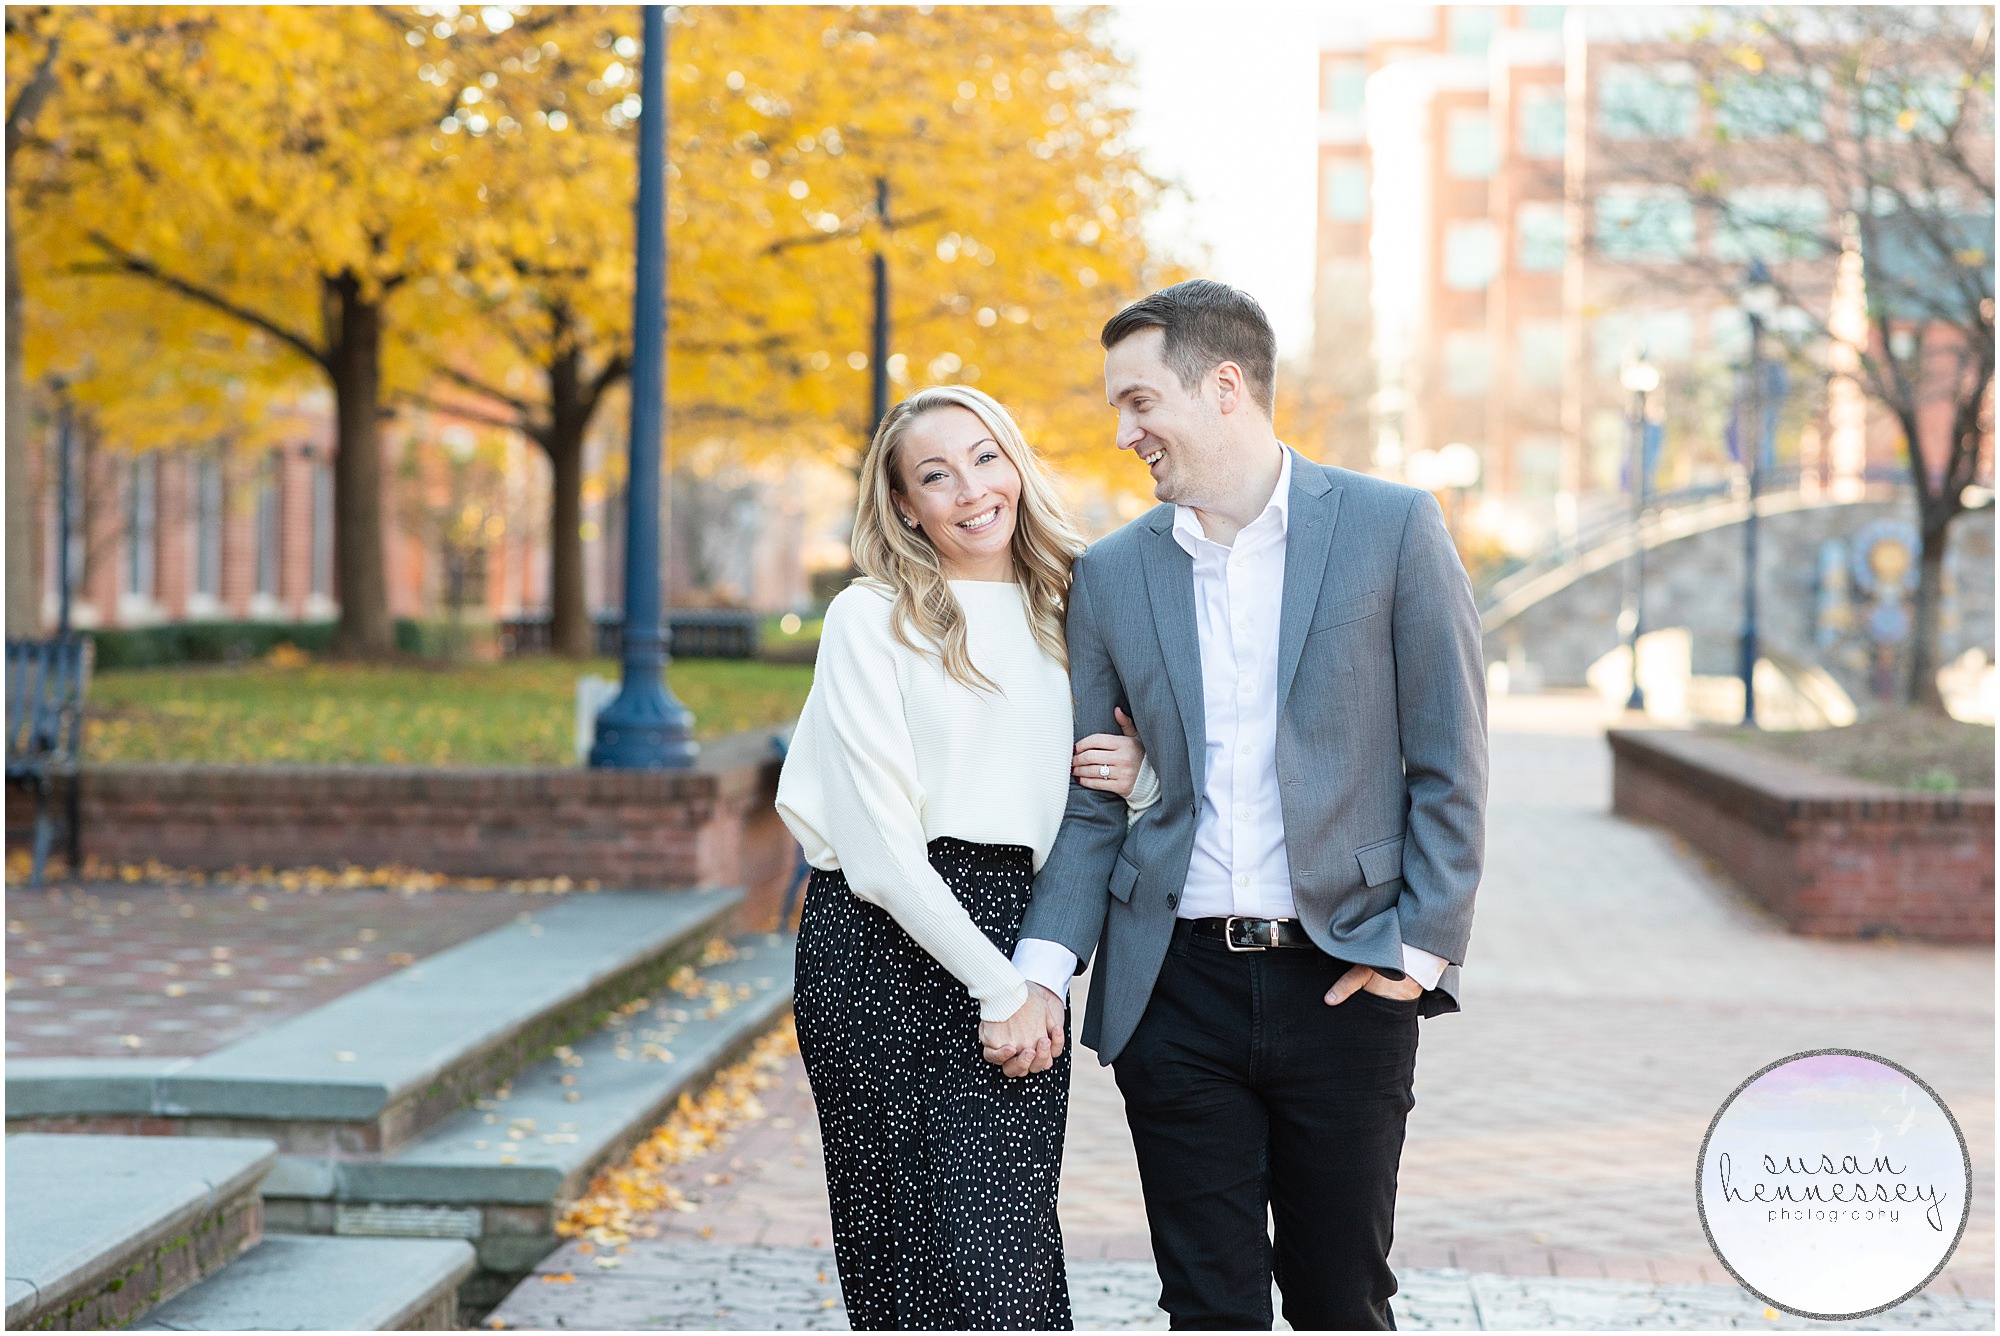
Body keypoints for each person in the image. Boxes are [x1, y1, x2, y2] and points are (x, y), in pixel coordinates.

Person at [1003, 280, 1488, 1330]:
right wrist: (1039, 970)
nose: (1123, 431)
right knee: (1205, 1307)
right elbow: (1093, 804)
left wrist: (1419, 946)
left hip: (1345, 979)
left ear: (1223, 386)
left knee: (1340, 1298)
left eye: (1138, 402)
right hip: (1172, 990)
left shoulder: (1390, 528)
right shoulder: (1112, 575)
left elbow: (1450, 759)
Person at [775, 384, 1158, 1331]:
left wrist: (1140, 774)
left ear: (1017, 464)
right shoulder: (871, 619)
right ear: (904, 503)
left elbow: (1101, 796)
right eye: (935, 475)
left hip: (1024, 927)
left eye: (986, 458)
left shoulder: (1072, 610)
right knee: (902, 1262)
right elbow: (877, 849)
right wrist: (1002, 990)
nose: (970, 490)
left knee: (1006, 1256)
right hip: (878, 946)